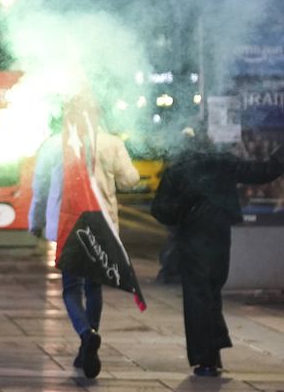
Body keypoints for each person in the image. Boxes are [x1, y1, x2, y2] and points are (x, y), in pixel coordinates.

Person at [151, 129, 283, 376]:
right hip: (220, 238)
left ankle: (206, 359)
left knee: (197, 297)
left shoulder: (179, 169)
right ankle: (213, 352)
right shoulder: (222, 163)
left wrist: (180, 216)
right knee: (212, 293)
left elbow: (160, 209)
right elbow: (263, 172)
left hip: (192, 240)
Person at [30, 128, 139, 378]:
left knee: (71, 288)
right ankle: (88, 343)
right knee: (94, 287)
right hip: (100, 226)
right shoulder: (111, 142)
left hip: (68, 225)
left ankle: (85, 334)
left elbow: (40, 186)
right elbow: (129, 180)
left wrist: (36, 221)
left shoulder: (54, 144)